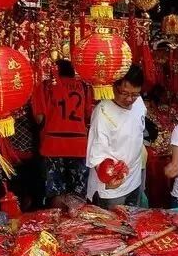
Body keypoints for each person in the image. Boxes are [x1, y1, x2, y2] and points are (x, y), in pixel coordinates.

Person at [86, 65, 147, 209]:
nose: (130, 99)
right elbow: (96, 155)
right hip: (112, 190)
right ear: (113, 86)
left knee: (133, 220)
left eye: (135, 94)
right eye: (124, 93)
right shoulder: (103, 112)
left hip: (134, 180)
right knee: (112, 222)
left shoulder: (139, 103)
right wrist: (109, 179)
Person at [33, 60, 92, 207]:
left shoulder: (45, 86)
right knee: (78, 193)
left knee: (56, 190)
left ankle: (56, 219)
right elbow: (88, 115)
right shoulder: (84, 87)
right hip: (79, 145)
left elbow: (39, 117)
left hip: (53, 144)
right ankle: (76, 220)